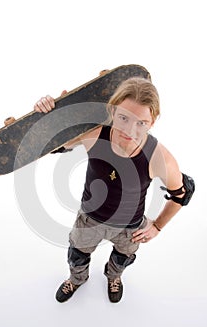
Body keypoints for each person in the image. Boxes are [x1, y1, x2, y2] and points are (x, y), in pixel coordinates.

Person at [34, 76, 195, 303]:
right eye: (123, 118)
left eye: (141, 123)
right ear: (112, 110)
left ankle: (114, 277)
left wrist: (157, 226)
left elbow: (183, 193)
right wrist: (50, 112)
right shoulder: (93, 133)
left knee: (122, 259)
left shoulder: (159, 158)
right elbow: (50, 143)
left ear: (153, 121)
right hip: (89, 218)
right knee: (77, 255)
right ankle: (77, 279)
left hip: (130, 227)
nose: (130, 130)